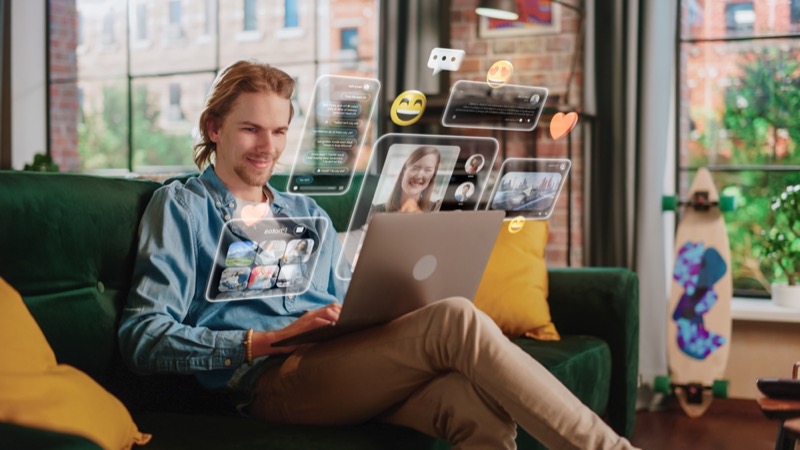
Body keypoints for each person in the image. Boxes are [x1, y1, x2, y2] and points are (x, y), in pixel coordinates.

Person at [118, 59, 639, 450]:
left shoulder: (308, 213)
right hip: (268, 382)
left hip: (340, 363)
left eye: (278, 131)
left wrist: (388, 308)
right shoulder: (183, 206)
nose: (268, 147)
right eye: (251, 129)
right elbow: (142, 339)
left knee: (470, 405)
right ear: (214, 128)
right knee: (455, 319)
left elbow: (345, 301)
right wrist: (262, 340)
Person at [370, 145, 442, 213]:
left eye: (428, 170)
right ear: (403, 171)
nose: (419, 175)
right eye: (415, 168)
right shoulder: (375, 211)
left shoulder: (436, 209)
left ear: (432, 177)